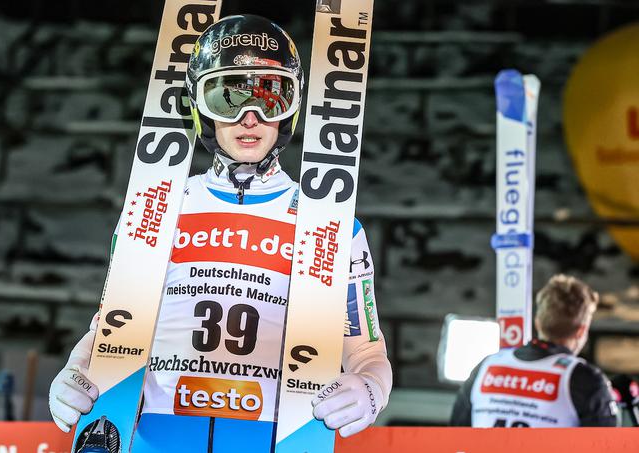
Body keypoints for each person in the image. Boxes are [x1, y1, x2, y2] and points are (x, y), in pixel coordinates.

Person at [48, 14, 392, 452]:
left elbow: (367, 351)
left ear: (293, 105)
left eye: (271, 95)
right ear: (199, 104)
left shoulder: (330, 224)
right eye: (227, 96)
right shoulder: (157, 210)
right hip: (158, 434)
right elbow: (111, 326)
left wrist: (369, 388)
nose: (250, 117)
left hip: (272, 434)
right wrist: (77, 367)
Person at [450, 274, 619, 427]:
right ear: (581, 331)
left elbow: (455, 436)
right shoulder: (586, 380)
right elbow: (608, 446)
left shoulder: (487, 366)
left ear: (538, 323)